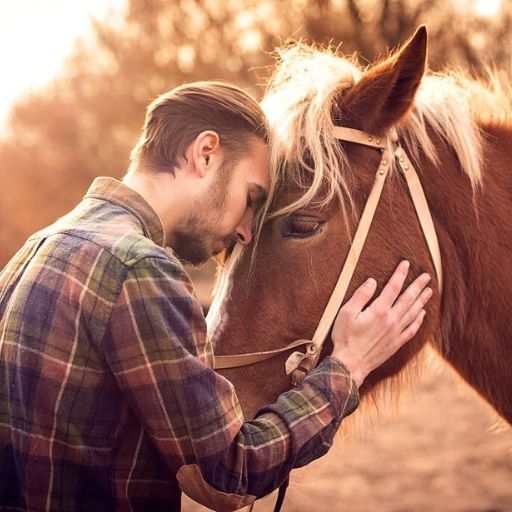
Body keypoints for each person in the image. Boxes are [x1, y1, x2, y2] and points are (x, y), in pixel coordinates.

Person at [0, 82, 432, 512]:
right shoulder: (138, 268)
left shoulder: (34, 251)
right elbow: (231, 474)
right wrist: (349, 365)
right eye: (252, 197)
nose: (246, 230)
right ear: (205, 153)